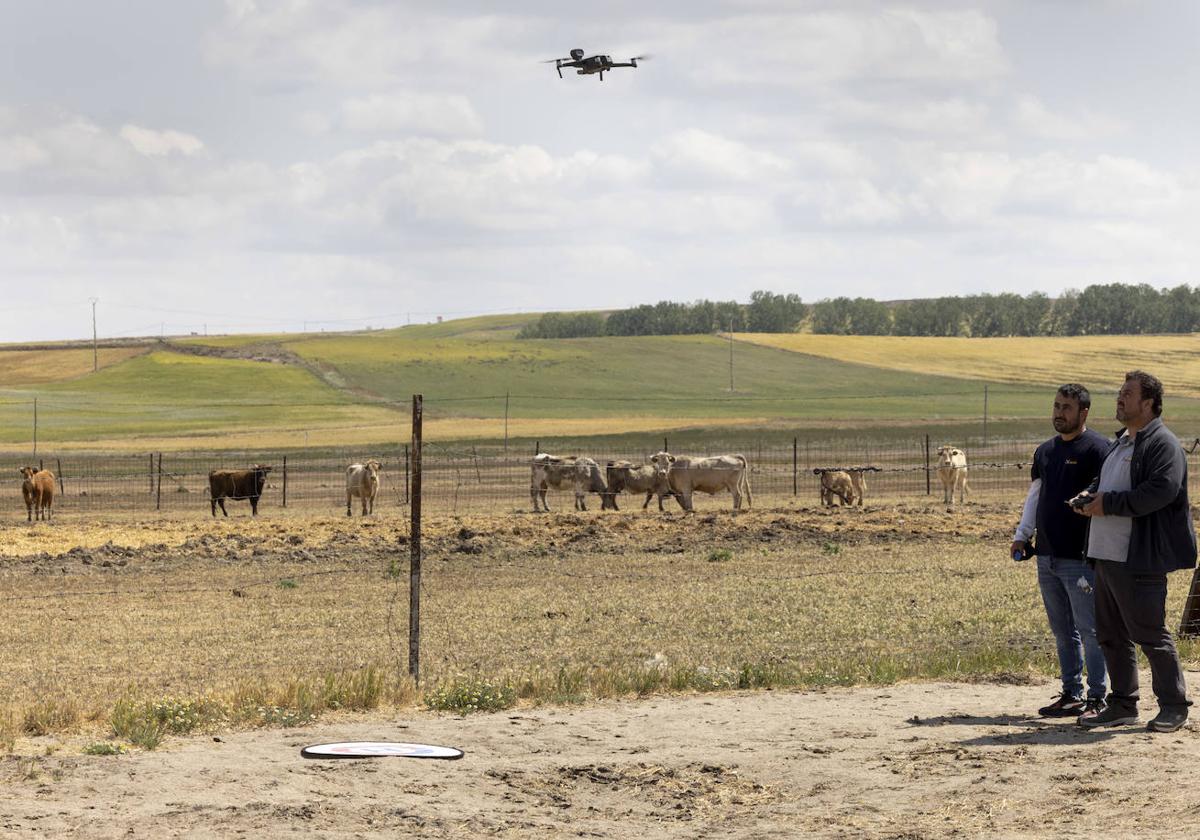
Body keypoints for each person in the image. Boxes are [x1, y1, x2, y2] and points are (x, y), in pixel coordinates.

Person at [1072, 370, 1196, 732]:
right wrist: (1089, 497)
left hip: (1139, 557)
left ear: (1149, 403)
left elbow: (1161, 491)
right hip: (1107, 556)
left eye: (1128, 393)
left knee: (1151, 635)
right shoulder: (1122, 442)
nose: (1119, 398)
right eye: (1119, 393)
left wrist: (1107, 503)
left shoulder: (1162, 444)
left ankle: (1174, 706)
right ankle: (1123, 704)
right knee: (1111, 635)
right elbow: (1105, 483)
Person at [1011, 384, 1110, 718]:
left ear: (1083, 412)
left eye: (1066, 407)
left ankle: (1099, 698)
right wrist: (1022, 535)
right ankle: (1071, 694)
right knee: (1062, 631)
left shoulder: (1099, 449)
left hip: (1080, 557)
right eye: (1055, 405)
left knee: (1090, 629)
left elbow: (1104, 496)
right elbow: (1035, 496)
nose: (1058, 413)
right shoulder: (1045, 452)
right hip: (1047, 555)